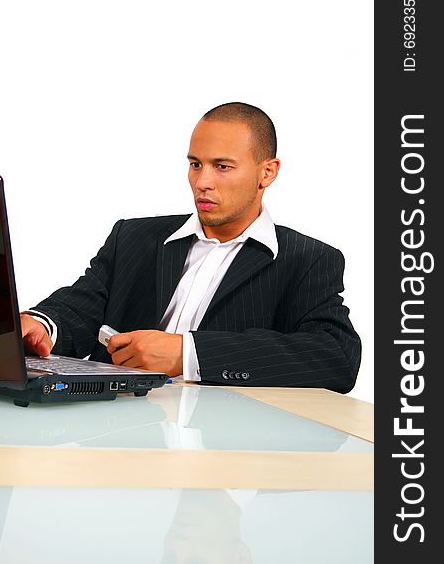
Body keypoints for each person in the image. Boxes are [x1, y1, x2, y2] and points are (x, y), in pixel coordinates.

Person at [20, 102, 361, 392]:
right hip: (115, 432)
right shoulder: (134, 237)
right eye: (195, 164)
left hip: (220, 447)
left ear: (267, 173)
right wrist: (41, 324)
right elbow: (83, 306)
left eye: (222, 167)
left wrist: (188, 354)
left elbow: (336, 356)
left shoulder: (306, 260)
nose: (202, 182)